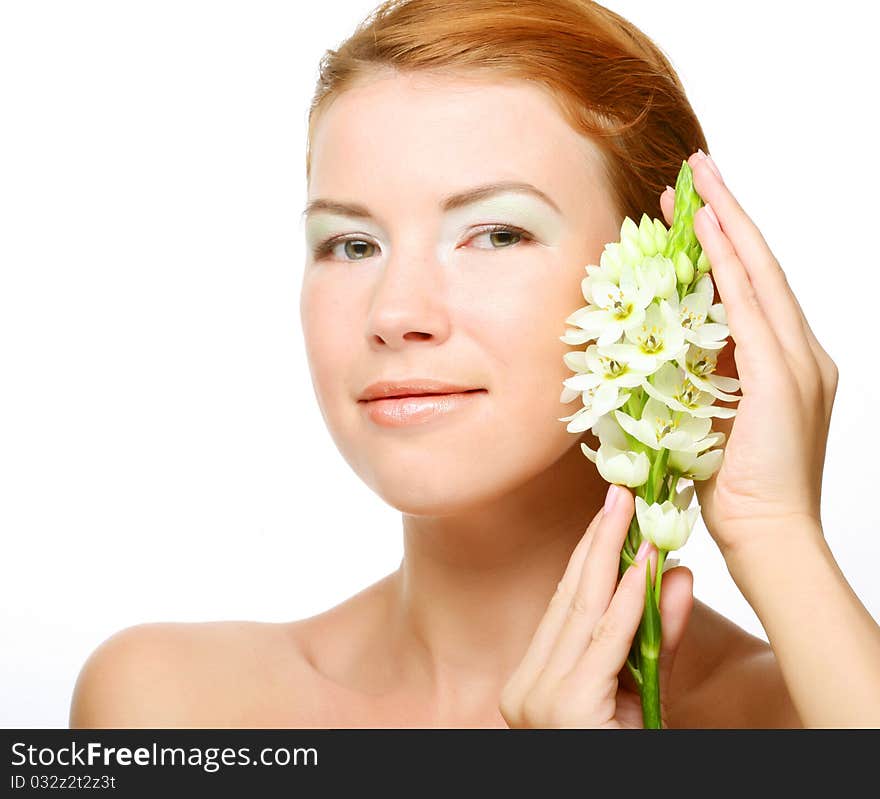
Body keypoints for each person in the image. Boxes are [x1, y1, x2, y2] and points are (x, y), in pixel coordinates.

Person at [69, 0, 880, 729]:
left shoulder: (795, 718)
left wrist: (777, 531)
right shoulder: (166, 707)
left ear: (668, 283)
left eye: (496, 234)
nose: (395, 315)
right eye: (352, 244)